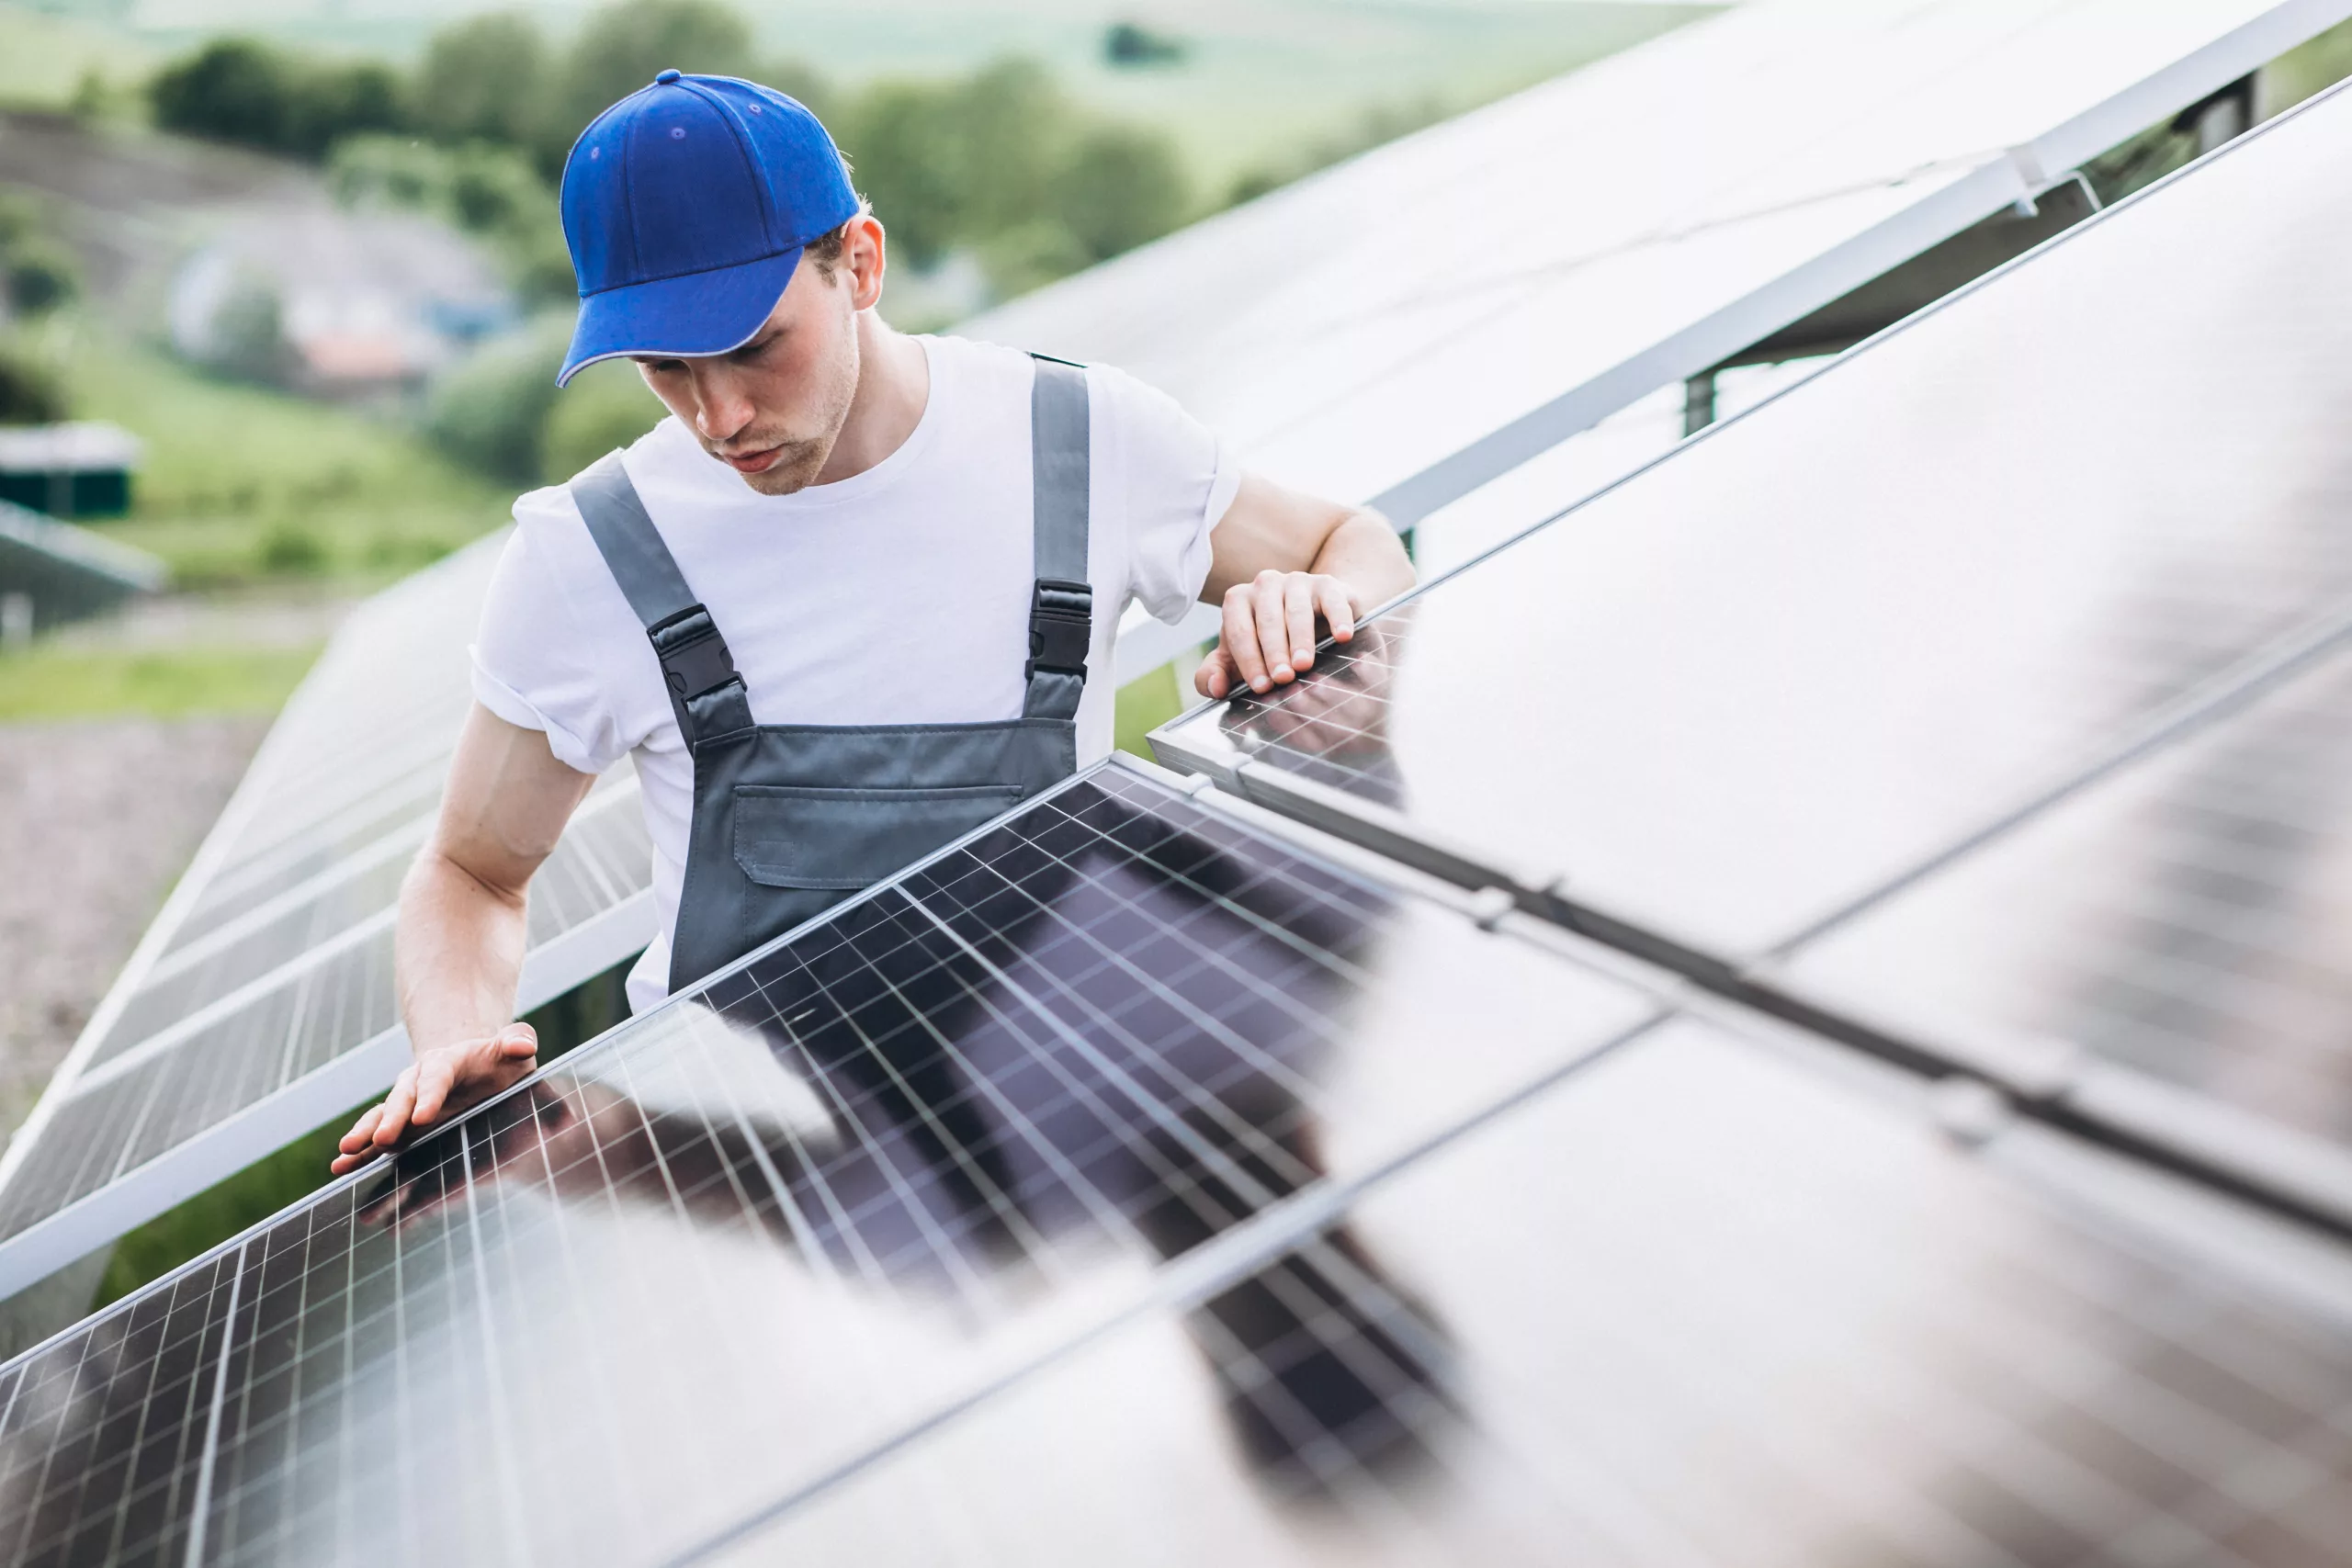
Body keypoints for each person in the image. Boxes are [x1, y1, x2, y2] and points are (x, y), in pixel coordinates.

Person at [332, 70, 1414, 1176]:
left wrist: (1328, 611)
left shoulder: (1081, 443)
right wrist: (458, 1036)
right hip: (747, 1185)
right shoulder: (587, 556)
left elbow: (1354, 543)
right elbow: (471, 871)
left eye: (754, 344)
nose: (719, 416)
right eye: (663, 366)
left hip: (1063, 1137)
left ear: (860, 262)